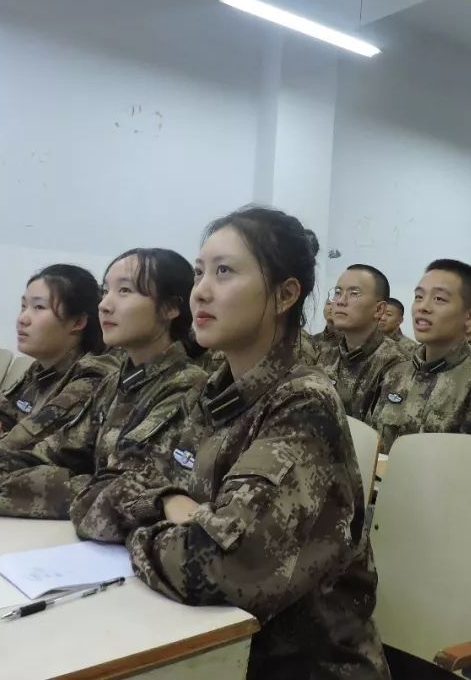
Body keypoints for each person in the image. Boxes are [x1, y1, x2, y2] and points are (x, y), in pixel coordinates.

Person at [72, 206, 389, 679]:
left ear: (284, 294)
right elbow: (95, 497)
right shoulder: (209, 394)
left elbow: (216, 568)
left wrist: (144, 521)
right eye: (200, 272)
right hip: (204, 645)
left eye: (225, 272)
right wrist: (168, 503)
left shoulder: (302, 406)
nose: (201, 289)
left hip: (297, 668)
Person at [0, 249, 206, 519]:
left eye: (125, 291)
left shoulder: (183, 386)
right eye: (106, 292)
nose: (105, 305)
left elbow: (121, 491)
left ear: (170, 308)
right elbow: (55, 450)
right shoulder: (118, 380)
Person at [0, 265, 116, 461]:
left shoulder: (91, 378)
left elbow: (9, 451)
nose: (23, 318)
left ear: (78, 322)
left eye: (39, 307)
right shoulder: (43, 369)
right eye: (24, 306)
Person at [370, 260, 471, 453]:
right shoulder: (395, 374)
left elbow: (470, 463)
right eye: (418, 297)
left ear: (470, 318)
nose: (422, 307)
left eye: (439, 299)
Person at [316, 265, 406, 419]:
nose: (340, 301)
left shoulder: (397, 364)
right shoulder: (324, 354)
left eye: (354, 293)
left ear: (379, 310)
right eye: (338, 292)